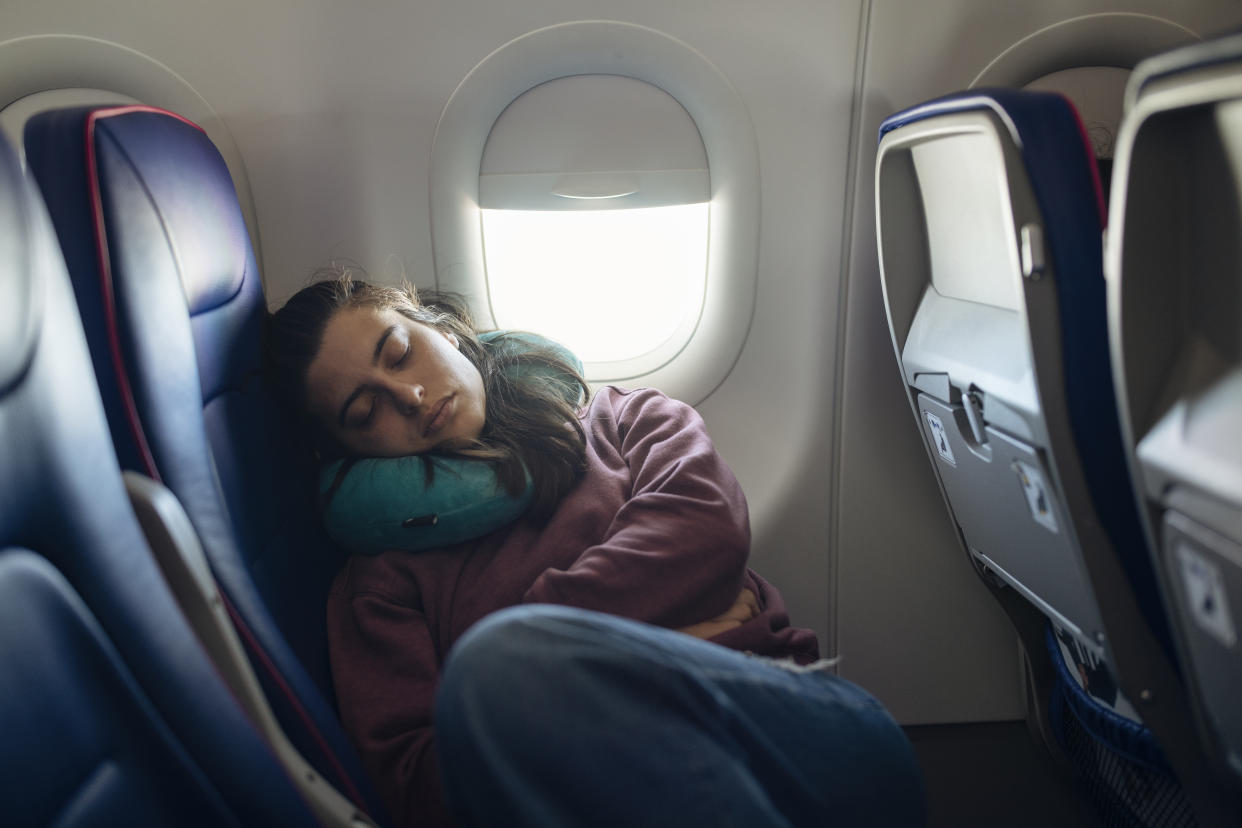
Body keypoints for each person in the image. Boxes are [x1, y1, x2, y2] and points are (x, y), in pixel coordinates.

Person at [268, 270, 925, 828]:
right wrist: (633, 656)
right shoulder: (381, 584)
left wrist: (533, 677)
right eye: (365, 412)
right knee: (501, 665)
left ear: (438, 327)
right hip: (600, 803)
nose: (408, 396)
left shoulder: (628, 419)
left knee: (500, 664)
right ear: (349, 455)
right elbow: (416, 783)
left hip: (802, 733)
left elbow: (707, 531)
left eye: (400, 351)